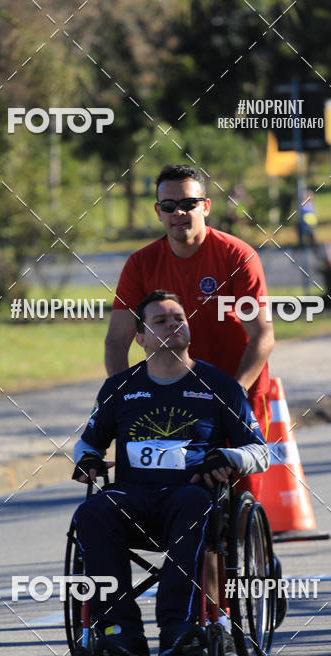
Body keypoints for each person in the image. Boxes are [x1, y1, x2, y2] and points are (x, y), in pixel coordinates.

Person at [72, 290, 269, 656]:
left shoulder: (220, 386)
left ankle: (181, 626)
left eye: (178, 317)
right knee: (92, 512)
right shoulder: (120, 387)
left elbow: (260, 452)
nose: (173, 325)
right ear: (141, 338)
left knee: (194, 504)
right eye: (160, 320)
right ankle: (117, 630)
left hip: (190, 496)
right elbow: (87, 443)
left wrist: (226, 456)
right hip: (134, 498)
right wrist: (88, 462)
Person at [104, 164, 274, 503]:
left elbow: (262, 336)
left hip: (235, 392)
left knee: (239, 501)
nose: (179, 213)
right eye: (169, 207)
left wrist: (232, 394)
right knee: (182, 502)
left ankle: (239, 555)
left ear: (206, 206)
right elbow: (117, 339)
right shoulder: (141, 264)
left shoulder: (236, 256)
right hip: (170, 401)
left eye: (188, 204)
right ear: (158, 212)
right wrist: (126, 397)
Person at [297, 189, 320, 256]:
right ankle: (302, 249)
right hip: (305, 225)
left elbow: (314, 215)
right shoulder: (304, 205)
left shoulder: (311, 205)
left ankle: (315, 251)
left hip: (310, 225)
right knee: (305, 239)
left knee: (312, 239)